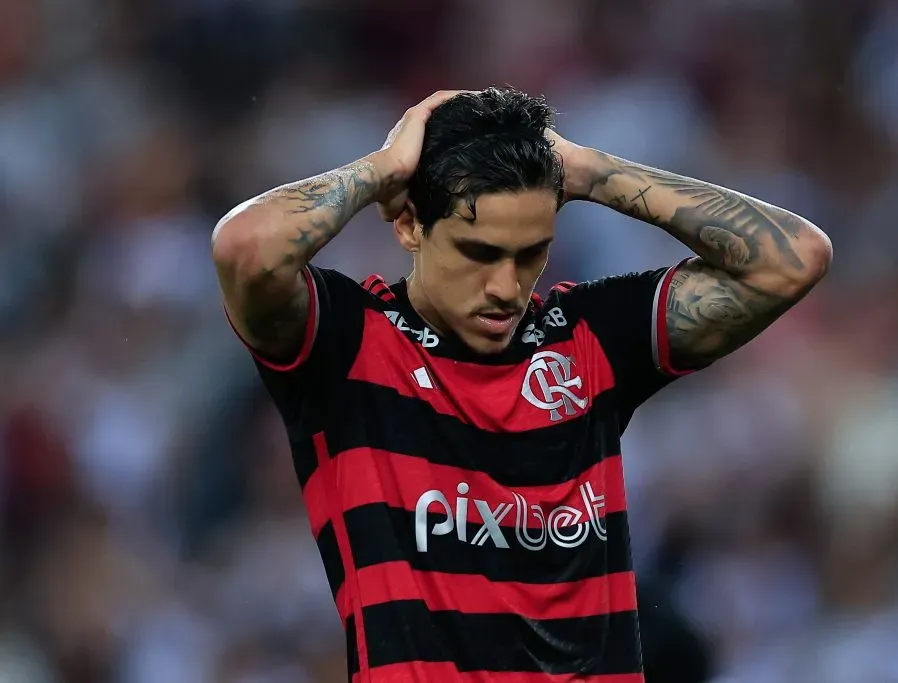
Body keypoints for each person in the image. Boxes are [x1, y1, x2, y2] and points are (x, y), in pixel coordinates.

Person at [211, 87, 831, 682]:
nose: (507, 287)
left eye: (530, 254)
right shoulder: (348, 344)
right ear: (408, 226)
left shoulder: (588, 340)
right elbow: (245, 248)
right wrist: (383, 169)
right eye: (479, 253)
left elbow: (794, 258)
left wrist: (586, 172)